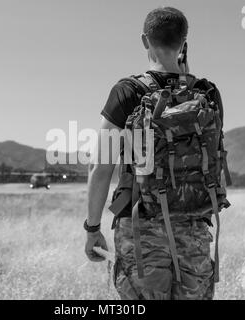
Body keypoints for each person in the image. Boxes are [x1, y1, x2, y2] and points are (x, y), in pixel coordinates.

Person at [84, 7, 225, 300]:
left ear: (144, 41)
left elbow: (101, 166)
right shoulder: (208, 94)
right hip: (193, 227)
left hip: (140, 229)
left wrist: (93, 227)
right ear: (185, 44)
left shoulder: (127, 91)